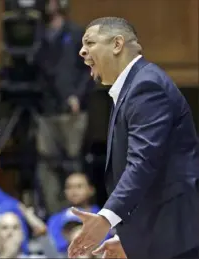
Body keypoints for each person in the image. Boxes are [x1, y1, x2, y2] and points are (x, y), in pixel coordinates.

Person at [68, 17, 199, 258]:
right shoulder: (134, 86)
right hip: (162, 236)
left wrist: (105, 219)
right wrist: (128, 239)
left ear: (117, 44)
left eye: (90, 42)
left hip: (177, 237)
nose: (82, 51)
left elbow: (143, 163)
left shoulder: (146, 86)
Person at [34, 0, 94, 215]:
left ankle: (80, 213)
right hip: (45, 109)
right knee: (46, 164)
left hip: (72, 110)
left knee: (73, 161)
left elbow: (89, 68)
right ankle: (56, 214)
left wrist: (78, 96)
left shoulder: (76, 33)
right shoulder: (37, 34)